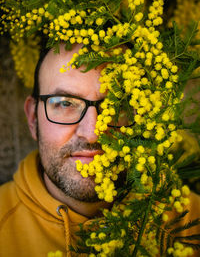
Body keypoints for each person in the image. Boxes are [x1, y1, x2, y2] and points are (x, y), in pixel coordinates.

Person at [0, 43, 200, 257]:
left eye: (117, 106)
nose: (93, 133)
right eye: (65, 104)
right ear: (32, 118)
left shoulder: (191, 218)